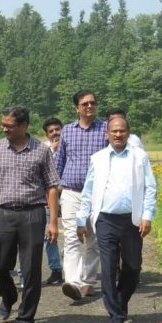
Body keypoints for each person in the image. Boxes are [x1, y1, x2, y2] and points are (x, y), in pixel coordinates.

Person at [0, 106, 59, 323]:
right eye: (2, 124)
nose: (4, 128)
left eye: (9, 126)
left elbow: (52, 187)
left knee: (32, 268)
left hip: (33, 214)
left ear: (23, 127)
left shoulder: (41, 151)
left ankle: (26, 317)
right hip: (3, 213)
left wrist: (53, 221)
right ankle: (9, 296)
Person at [76, 113, 157, 323]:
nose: (118, 134)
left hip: (132, 219)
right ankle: (116, 316)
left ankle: (119, 301)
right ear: (107, 134)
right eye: (114, 131)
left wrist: (147, 215)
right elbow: (88, 190)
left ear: (128, 133)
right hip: (105, 219)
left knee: (132, 267)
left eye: (122, 131)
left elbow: (150, 187)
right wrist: (82, 219)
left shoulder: (139, 157)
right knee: (109, 266)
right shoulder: (98, 158)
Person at [55, 90, 108, 301]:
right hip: (71, 192)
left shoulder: (105, 129)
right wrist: (54, 191)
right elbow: (60, 161)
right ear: (76, 107)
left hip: (97, 194)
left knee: (94, 239)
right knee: (71, 238)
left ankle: (88, 281)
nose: (89, 107)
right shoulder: (67, 131)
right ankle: (73, 282)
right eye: (85, 104)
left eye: (92, 103)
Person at [42, 117, 64, 286]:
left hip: (69, 194)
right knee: (49, 234)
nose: (55, 133)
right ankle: (56, 269)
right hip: (50, 197)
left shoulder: (70, 145)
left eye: (57, 129)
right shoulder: (43, 149)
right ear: (46, 134)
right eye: (51, 131)